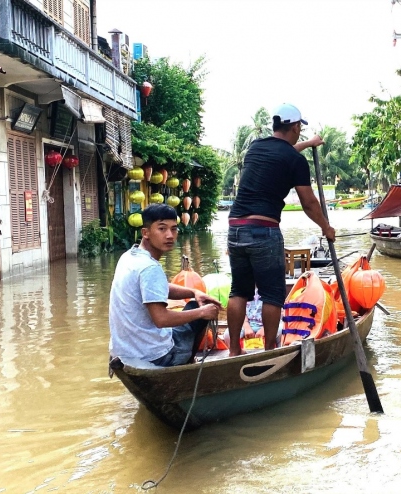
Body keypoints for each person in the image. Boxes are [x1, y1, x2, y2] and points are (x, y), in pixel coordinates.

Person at [226, 103, 335, 356]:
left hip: (236, 228)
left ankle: (234, 351)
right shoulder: (294, 161)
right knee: (273, 295)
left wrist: (308, 145)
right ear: (296, 127)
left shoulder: (256, 148)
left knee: (239, 290)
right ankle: (269, 351)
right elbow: (309, 203)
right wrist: (326, 228)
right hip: (264, 229)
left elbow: (284, 153)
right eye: (300, 130)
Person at [109, 204, 222, 367]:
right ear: (145, 233)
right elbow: (161, 319)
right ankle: (187, 363)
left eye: (174, 229)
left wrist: (194, 291)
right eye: (162, 229)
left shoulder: (129, 257)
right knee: (201, 309)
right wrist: (202, 312)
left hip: (125, 351)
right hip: (157, 356)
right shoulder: (150, 268)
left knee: (195, 303)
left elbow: (158, 287)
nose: (170, 235)